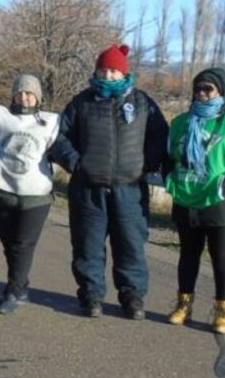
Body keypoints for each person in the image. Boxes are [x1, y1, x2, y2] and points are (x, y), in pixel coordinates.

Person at [50, 44, 169, 319]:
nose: (109, 75)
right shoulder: (81, 103)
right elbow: (60, 138)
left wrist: (144, 164)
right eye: (104, 70)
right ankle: (91, 297)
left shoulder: (142, 103)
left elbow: (160, 138)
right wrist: (76, 164)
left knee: (130, 246)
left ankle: (132, 297)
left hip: (129, 190)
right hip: (88, 189)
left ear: (123, 72)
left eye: (114, 70)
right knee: (88, 246)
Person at [163, 68, 225, 334]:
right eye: (198, 89)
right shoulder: (181, 122)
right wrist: (169, 177)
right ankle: (183, 304)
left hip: (219, 200)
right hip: (187, 196)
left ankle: (222, 310)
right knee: (188, 255)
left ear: (222, 92)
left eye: (208, 89)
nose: (202, 94)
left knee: (221, 256)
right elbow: (168, 157)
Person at [0, 74, 63, 314]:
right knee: (10, 244)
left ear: (38, 97)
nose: (24, 97)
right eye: (20, 92)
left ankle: (12, 292)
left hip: (36, 195)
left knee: (23, 244)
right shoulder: (0, 119)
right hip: (2, 192)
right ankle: (21, 285)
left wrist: (79, 166)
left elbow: (61, 150)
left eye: (30, 93)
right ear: (13, 94)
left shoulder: (50, 123)